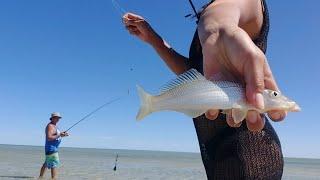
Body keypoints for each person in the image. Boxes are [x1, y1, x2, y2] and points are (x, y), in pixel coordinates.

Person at [123, 0, 287, 179]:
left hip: (251, 153)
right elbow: (192, 73)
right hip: (213, 150)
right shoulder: (208, 28)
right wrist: (154, 40)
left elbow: (228, 11)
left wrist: (217, 28)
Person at [39, 112, 69, 179]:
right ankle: (53, 178)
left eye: (58, 118)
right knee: (54, 164)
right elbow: (49, 137)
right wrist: (59, 134)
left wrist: (62, 135)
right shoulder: (50, 126)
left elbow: (56, 136)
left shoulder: (55, 126)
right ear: (52, 118)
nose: (57, 119)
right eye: (56, 117)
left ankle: (40, 177)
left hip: (52, 148)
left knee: (46, 163)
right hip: (51, 148)